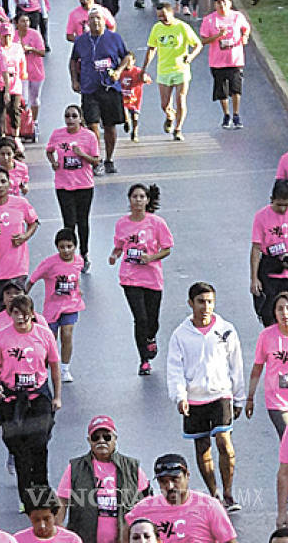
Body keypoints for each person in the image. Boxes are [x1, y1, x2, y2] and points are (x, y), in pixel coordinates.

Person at [166, 282, 245, 512]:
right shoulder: (180, 335)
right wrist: (180, 396)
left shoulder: (226, 329)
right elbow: (175, 369)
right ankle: (214, 494)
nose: (206, 306)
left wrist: (239, 398)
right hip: (194, 400)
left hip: (221, 394)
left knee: (224, 444)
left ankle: (228, 492)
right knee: (202, 448)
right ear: (191, 304)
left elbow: (236, 365)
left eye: (210, 301)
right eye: (201, 301)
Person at [0, 294, 62, 504]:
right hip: (12, 398)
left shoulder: (44, 335)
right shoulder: (1, 336)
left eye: (24, 314)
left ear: (32, 314)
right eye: (15, 313)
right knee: (19, 450)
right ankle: (26, 497)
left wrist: (57, 396)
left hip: (38, 395)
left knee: (39, 443)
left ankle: (42, 491)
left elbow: (54, 367)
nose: (20, 318)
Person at [110, 184, 173, 376]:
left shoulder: (157, 223)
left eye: (141, 197)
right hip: (130, 277)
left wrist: (150, 258)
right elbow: (120, 245)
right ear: (129, 200)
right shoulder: (122, 223)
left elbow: (167, 248)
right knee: (140, 319)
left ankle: (151, 338)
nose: (138, 200)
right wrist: (114, 255)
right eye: (134, 197)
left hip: (152, 277)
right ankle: (143, 360)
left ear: (147, 200)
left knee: (152, 320)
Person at [56, 414, 148, 543]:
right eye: (95, 437)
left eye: (106, 437)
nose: (101, 441)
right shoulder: (75, 468)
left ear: (115, 439)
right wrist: (59, 534)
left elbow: (148, 503)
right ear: (89, 440)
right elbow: (62, 502)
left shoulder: (132, 468)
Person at [69, 8, 131, 174]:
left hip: (110, 88)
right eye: (92, 19)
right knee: (92, 125)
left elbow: (126, 56)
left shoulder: (114, 38)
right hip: (89, 88)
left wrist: (118, 71)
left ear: (104, 21)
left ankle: (109, 159)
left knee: (110, 126)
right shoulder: (81, 41)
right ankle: (96, 159)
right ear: (87, 22)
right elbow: (74, 60)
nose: (95, 22)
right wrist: (74, 80)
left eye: (98, 19)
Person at [125, 454, 237, 542]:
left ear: (187, 476)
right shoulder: (142, 509)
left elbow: (229, 540)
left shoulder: (209, 507)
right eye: (163, 481)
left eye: (175, 479)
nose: (170, 486)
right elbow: (123, 535)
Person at [27, 230, 86, 382]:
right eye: (62, 247)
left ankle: (65, 369)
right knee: (50, 341)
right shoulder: (49, 264)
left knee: (67, 334)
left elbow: (76, 277)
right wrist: (23, 297)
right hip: (52, 308)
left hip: (71, 305)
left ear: (75, 246)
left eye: (69, 246)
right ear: (57, 247)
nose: (66, 250)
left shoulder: (79, 261)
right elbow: (33, 279)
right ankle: (43, 368)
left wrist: (78, 289)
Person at [45, 106, 100, 266]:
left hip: (84, 185)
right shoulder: (57, 134)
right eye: (67, 116)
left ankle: (84, 253)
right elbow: (49, 151)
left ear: (80, 119)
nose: (70, 119)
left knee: (82, 221)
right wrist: (53, 162)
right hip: (63, 184)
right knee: (69, 222)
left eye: (74, 116)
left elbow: (96, 161)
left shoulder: (89, 136)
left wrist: (82, 154)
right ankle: (70, 254)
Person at [0, 166, 39, 309]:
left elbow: (34, 222)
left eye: (3, 181)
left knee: (17, 310)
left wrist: (24, 236)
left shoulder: (21, 203)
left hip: (16, 268)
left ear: (9, 184)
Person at [141, 2, 202, 141]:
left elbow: (198, 44)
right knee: (164, 104)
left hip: (181, 69)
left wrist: (191, 56)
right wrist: (144, 68)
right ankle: (170, 116)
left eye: (164, 15)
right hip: (164, 70)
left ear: (171, 13)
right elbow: (152, 48)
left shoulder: (182, 27)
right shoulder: (156, 28)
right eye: (159, 17)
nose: (162, 19)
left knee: (180, 99)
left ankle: (178, 129)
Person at [199, 0, 250, 130]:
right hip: (218, 61)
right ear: (215, 5)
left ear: (230, 3)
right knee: (221, 90)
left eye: (224, 2)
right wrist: (218, 36)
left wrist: (245, 36)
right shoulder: (209, 20)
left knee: (236, 89)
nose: (222, 5)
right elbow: (203, 40)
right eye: (219, 3)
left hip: (235, 60)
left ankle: (236, 114)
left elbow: (246, 28)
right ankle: (226, 114)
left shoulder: (237, 16)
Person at [248, 292, 288, 438]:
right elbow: (258, 367)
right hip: (277, 400)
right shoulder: (267, 336)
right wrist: (250, 398)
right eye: (280, 309)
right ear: (274, 313)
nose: (285, 313)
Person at [14, 492, 80, 542]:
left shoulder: (71, 540)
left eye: (46, 519)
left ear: (55, 515)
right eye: (36, 520)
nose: (42, 525)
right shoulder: (17, 540)